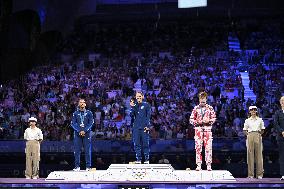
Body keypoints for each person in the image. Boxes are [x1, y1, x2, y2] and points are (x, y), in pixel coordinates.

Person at [190, 91, 216, 171]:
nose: (202, 100)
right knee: (198, 147)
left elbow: (214, 118)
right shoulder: (196, 108)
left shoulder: (210, 108)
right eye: (201, 99)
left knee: (208, 147)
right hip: (198, 129)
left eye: (204, 99)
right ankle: (198, 165)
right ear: (199, 99)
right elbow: (191, 119)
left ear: (206, 99)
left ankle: (208, 164)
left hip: (207, 129)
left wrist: (209, 121)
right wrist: (197, 122)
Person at [71, 97, 94, 171]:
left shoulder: (89, 113)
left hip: (86, 134)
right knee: (77, 151)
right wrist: (79, 131)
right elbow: (73, 124)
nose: (82, 103)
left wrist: (85, 130)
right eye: (80, 102)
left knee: (87, 150)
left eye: (83, 102)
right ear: (78, 104)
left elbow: (91, 123)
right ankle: (77, 166)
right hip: (78, 134)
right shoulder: (75, 113)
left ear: (85, 104)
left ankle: (88, 166)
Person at [243, 106, 265, 179]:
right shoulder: (247, 120)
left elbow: (263, 129)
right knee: (250, 155)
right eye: (251, 110)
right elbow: (244, 130)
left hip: (257, 135)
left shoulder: (260, 120)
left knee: (259, 155)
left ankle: (259, 174)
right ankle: (250, 175)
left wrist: (259, 134)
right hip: (250, 135)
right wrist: (248, 135)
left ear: (256, 111)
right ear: (249, 111)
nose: (253, 111)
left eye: (254, 110)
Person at [130, 91, 151, 164]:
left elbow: (148, 116)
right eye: (137, 97)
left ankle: (146, 159)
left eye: (139, 96)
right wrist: (132, 107)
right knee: (137, 144)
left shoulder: (146, 105)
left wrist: (147, 126)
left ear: (142, 97)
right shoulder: (135, 105)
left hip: (144, 127)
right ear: (135, 97)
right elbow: (131, 115)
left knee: (145, 143)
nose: (138, 98)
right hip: (136, 127)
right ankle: (138, 159)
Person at [274, 96, 284, 180]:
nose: (283, 102)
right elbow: (275, 124)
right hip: (281, 137)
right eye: (282, 101)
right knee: (282, 156)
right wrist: (282, 131)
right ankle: (283, 174)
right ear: (280, 102)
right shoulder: (277, 113)